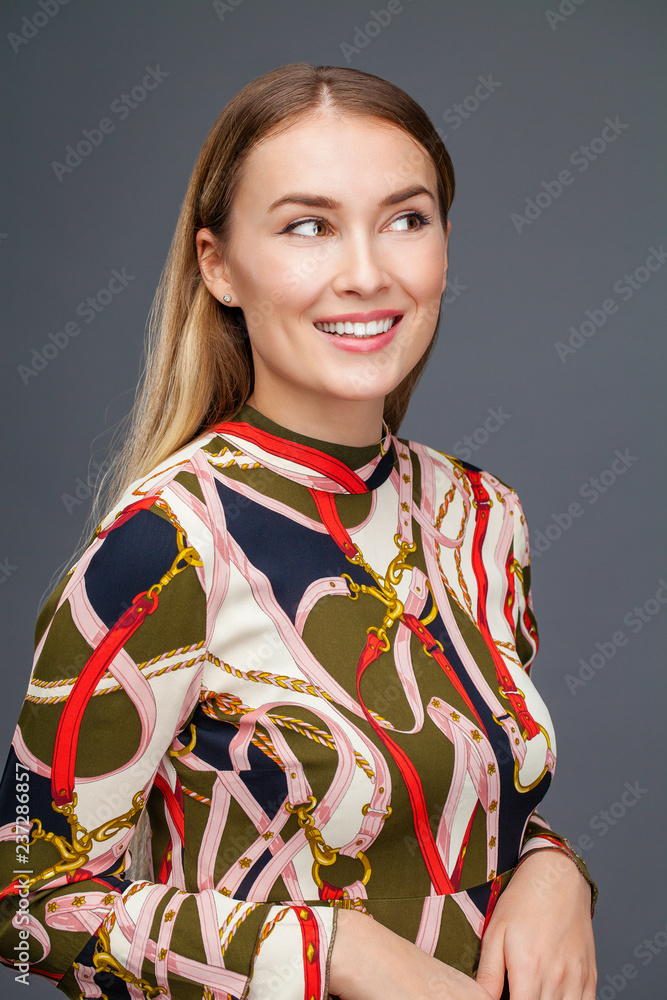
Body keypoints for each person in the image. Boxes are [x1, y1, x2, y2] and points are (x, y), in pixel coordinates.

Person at [0, 63, 598, 999]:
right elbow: (27, 908)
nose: (367, 273)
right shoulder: (166, 545)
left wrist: (555, 869)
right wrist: (332, 951)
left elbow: (461, 805)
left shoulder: (478, 516)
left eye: (406, 218)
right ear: (218, 265)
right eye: (307, 226)